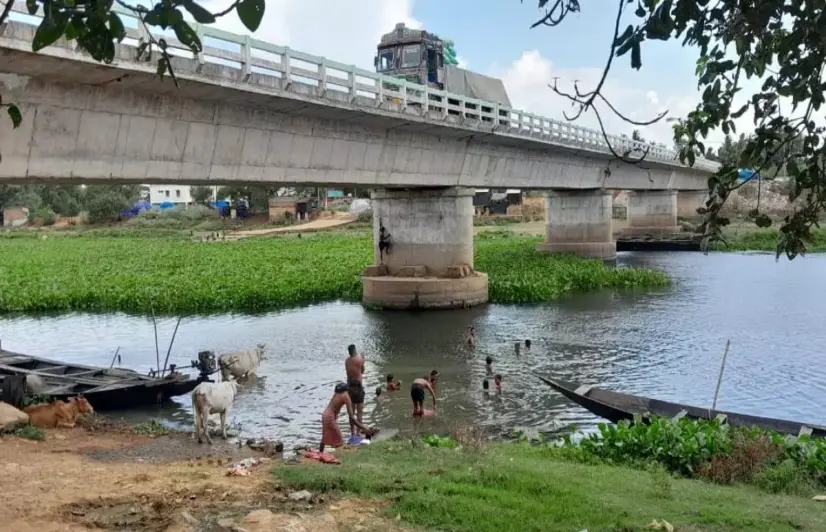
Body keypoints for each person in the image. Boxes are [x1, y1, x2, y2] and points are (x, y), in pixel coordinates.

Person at [320, 382, 376, 452]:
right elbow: (352, 418)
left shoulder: (341, 392)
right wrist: (364, 428)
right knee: (339, 441)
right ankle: (339, 457)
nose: (357, 392)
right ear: (352, 388)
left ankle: (320, 453)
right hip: (330, 417)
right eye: (356, 390)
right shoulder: (346, 397)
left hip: (326, 415)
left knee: (325, 438)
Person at [344, 344, 366, 436]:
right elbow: (362, 371)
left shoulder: (347, 361)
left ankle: (352, 432)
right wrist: (363, 357)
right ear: (354, 351)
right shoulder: (360, 359)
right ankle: (358, 432)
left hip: (349, 387)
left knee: (351, 412)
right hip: (358, 386)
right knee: (359, 411)